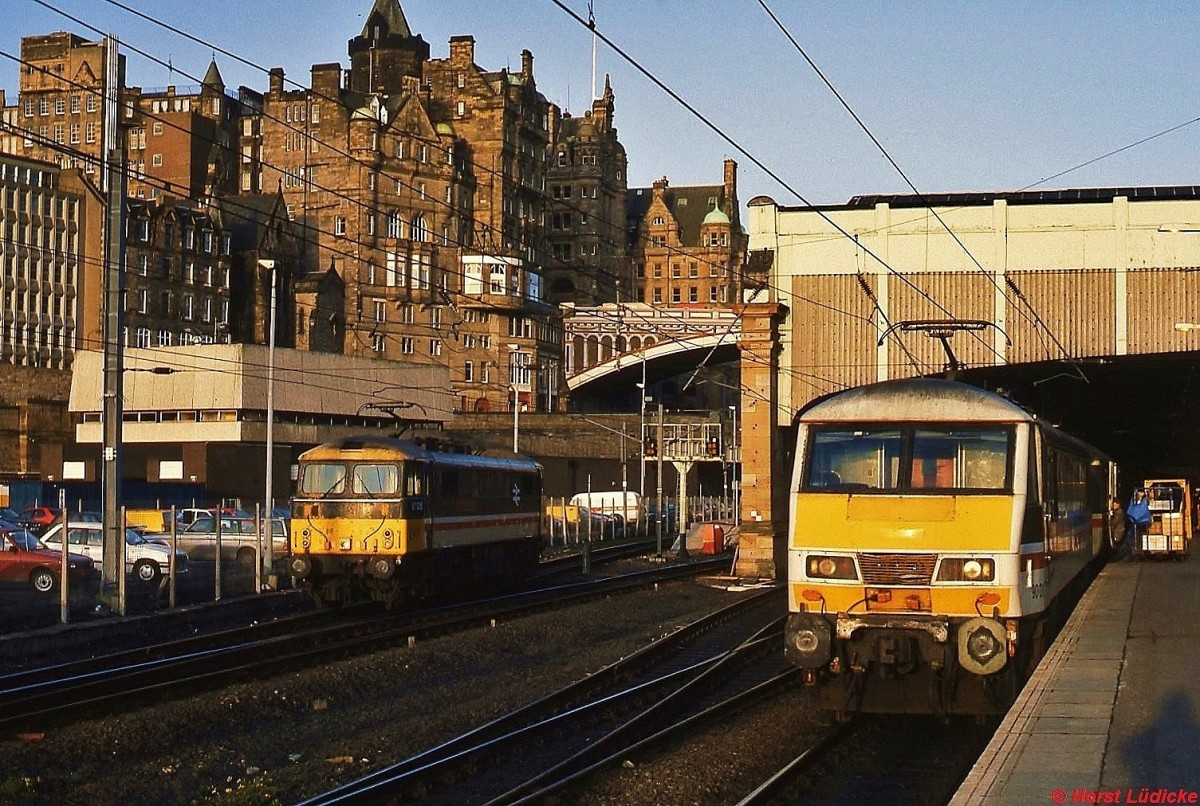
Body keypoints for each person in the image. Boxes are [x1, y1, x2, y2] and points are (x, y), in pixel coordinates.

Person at [1126, 488, 1151, 558]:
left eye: (1142, 493)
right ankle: (1135, 551)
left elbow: (1144, 509)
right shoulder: (1134, 500)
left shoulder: (1145, 500)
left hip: (1143, 522)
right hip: (1135, 522)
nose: (1140, 494)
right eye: (1139, 492)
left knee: (1142, 535)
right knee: (1135, 536)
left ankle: (1142, 551)